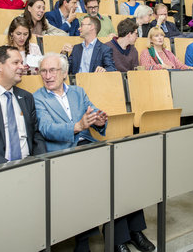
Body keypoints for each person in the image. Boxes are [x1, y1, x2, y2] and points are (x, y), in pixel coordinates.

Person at [34, 52, 153, 252]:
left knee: (123, 173)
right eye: (43, 71)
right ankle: (118, 239)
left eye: (52, 70)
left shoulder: (77, 92)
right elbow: (46, 128)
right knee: (104, 180)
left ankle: (135, 230)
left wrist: (99, 120)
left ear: (64, 73)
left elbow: (93, 111)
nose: (47, 75)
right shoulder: (38, 97)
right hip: (63, 153)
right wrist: (77, 126)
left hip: (88, 146)